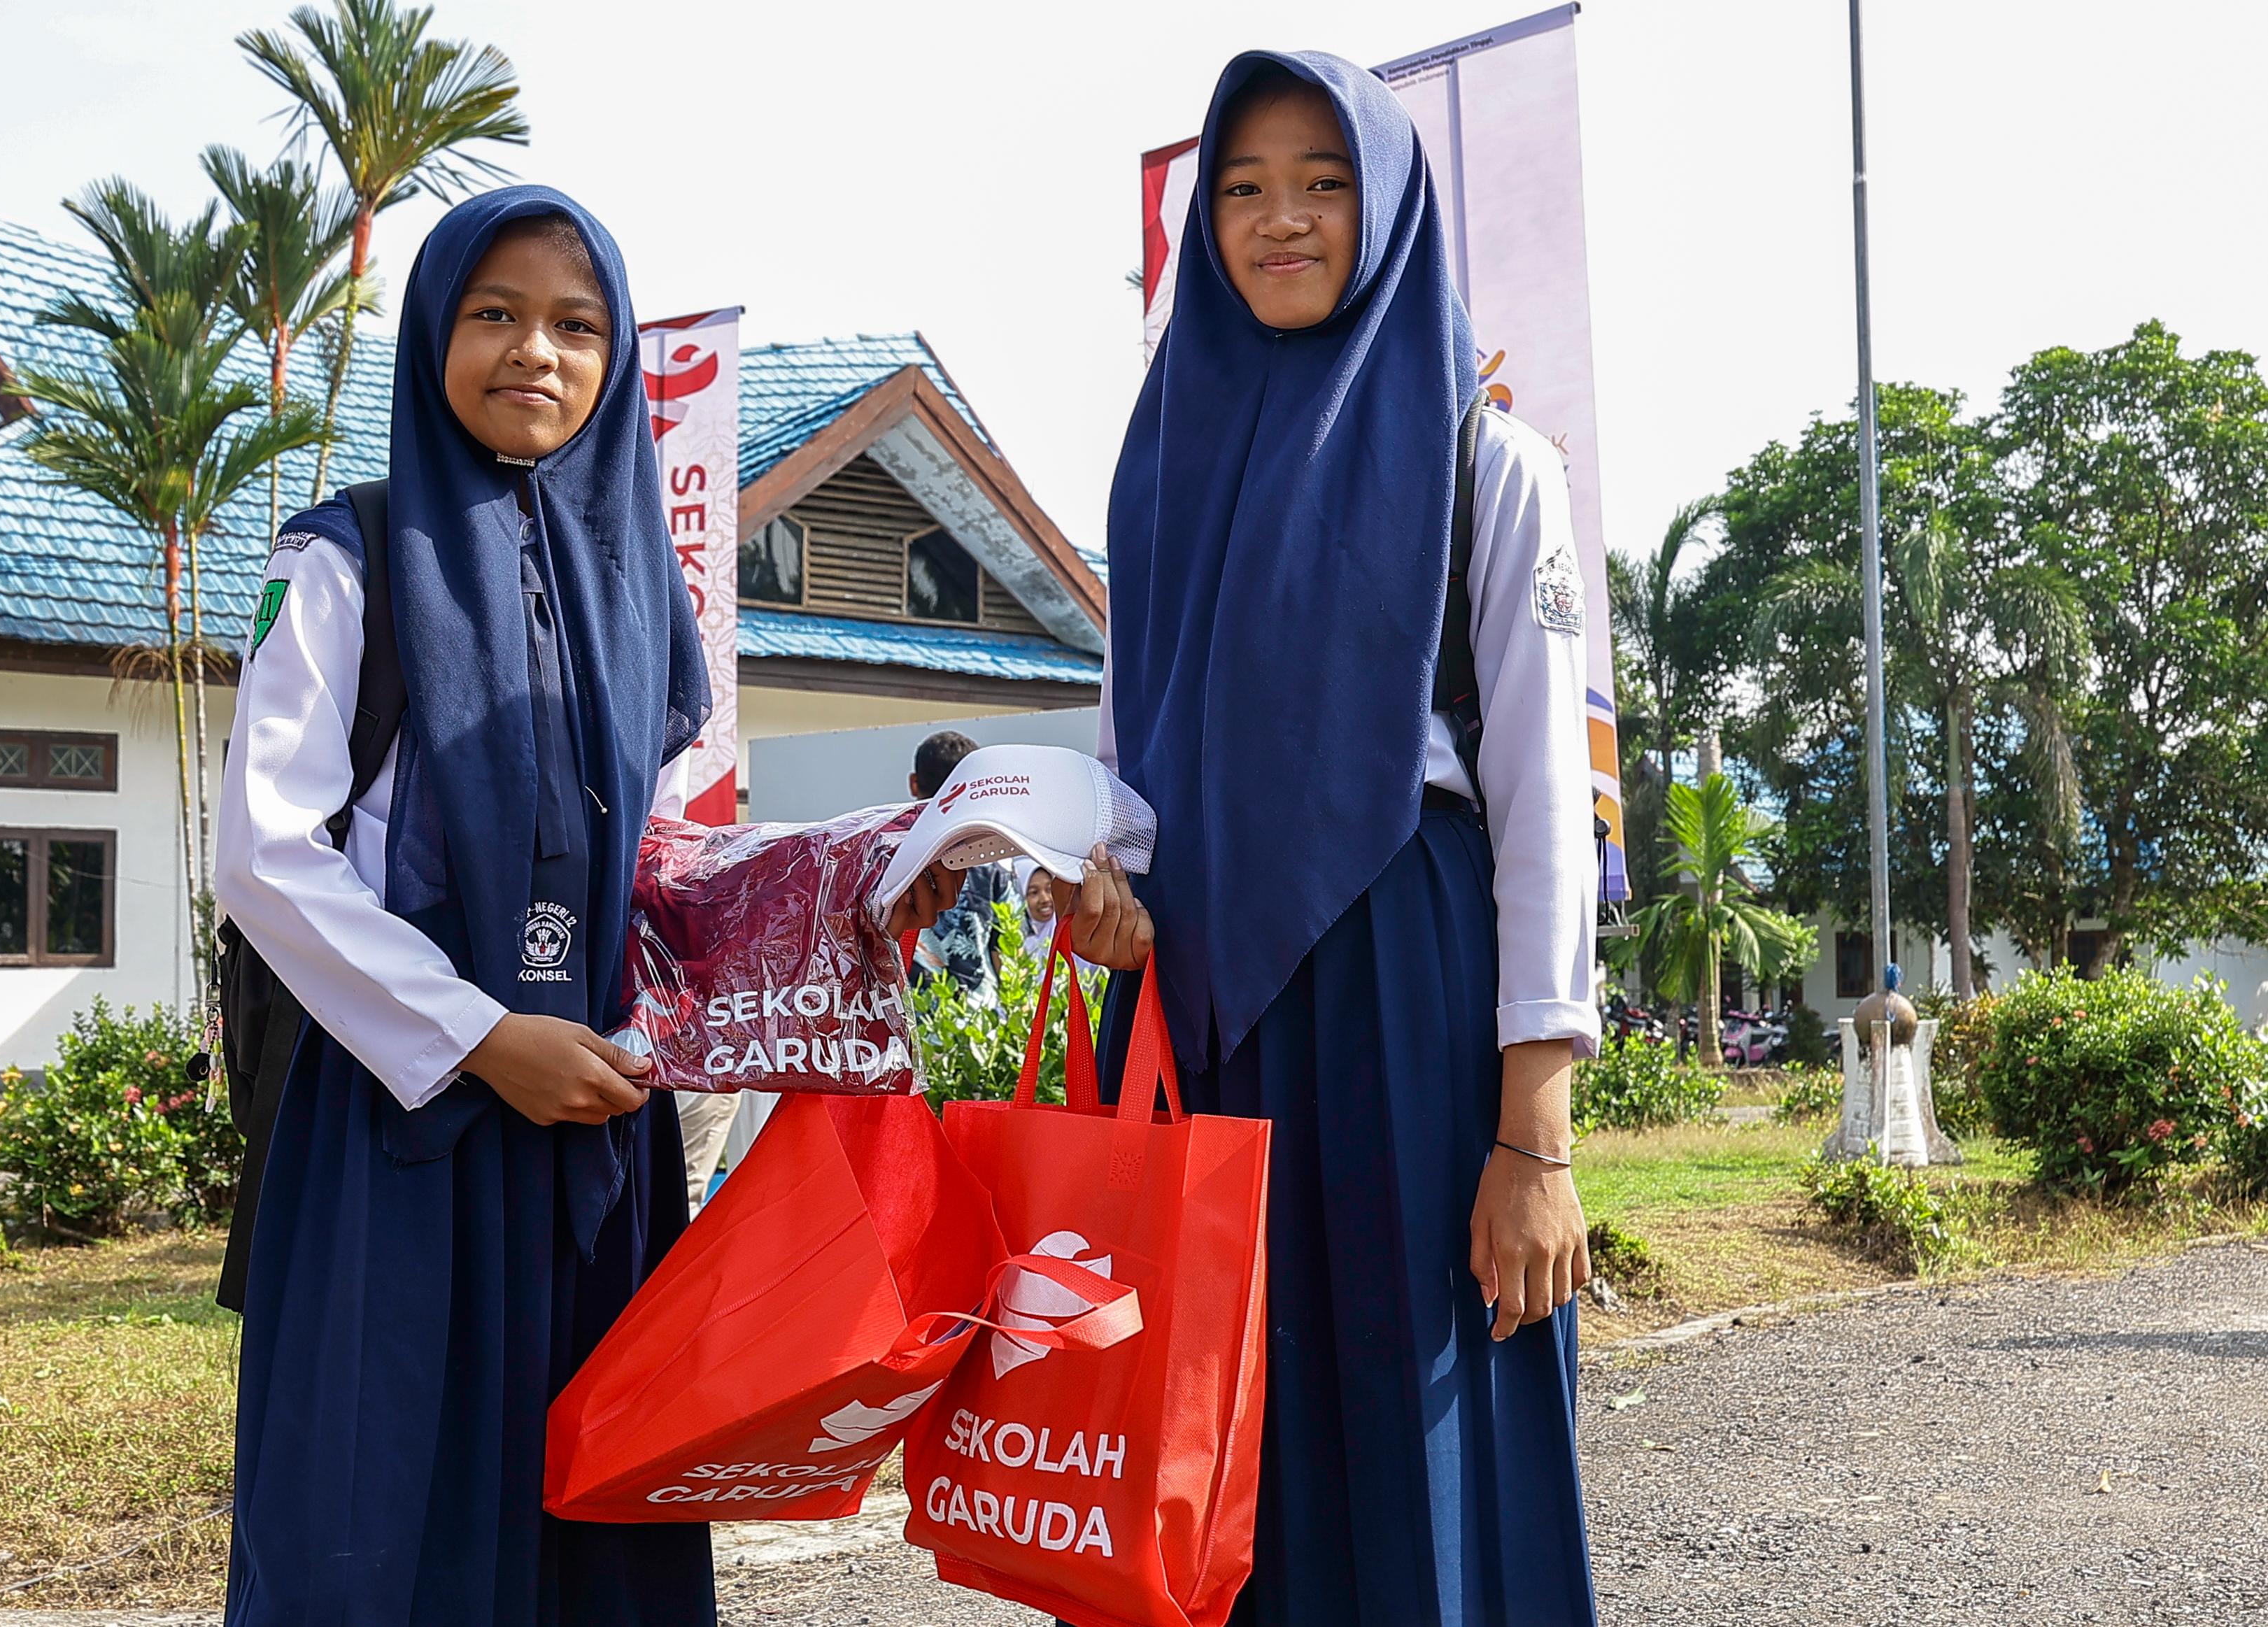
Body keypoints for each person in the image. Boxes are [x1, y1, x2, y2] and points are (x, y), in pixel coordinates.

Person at [215, 187, 954, 1626]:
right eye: (493, 313)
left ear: (615, 360)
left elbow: (658, 860)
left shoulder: (643, 595)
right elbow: (265, 853)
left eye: (574, 324)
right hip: (402, 1129)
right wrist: (484, 1033)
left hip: (592, 1147)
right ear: (432, 332)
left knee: (589, 1518)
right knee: (382, 1516)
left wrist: (872, 865)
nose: (532, 352)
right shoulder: (346, 556)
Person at [1091, 53, 1601, 1625]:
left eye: (1321, 182)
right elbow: (1132, 752)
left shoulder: (1485, 459)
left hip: (1410, 1000)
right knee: (1221, 1442)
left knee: (1423, 1428)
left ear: (1385, 210)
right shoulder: (1158, 462)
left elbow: (1545, 820)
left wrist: (1535, 1140)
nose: (1279, 219)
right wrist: (1098, 876)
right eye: (1239, 190)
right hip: (1205, 1011)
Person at [907, 730, 1021, 1000]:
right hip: (981, 1027)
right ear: (974, 786)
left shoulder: (888, 855)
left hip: (909, 1021)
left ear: (914, 784)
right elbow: (1009, 950)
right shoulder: (997, 860)